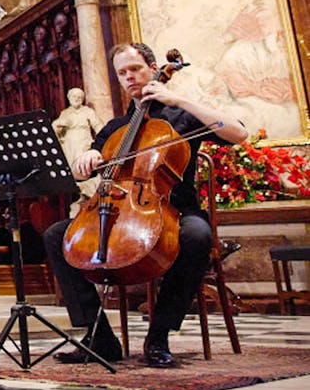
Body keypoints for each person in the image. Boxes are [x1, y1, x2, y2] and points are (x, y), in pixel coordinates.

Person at [42, 42, 247, 368]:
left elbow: (238, 133)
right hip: (119, 211)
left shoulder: (182, 118)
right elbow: (92, 160)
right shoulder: (115, 129)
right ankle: (100, 336)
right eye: (122, 73)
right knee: (56, 235)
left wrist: (178, 99)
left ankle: (159, 334)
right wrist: (90, 155)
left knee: (197, 236)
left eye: (135, 69)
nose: (129, 77)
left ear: (153, 68)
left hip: (176, 211)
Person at [52, 87, 101, 216]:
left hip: (83, 144)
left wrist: (105, 141)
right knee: (74, 175)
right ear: (69, 98)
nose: (77, 99)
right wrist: (59, 124)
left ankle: (89, 197)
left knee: (85, 170)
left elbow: (99, 127)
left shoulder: (87, 112)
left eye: (80, 97)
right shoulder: (65, 113)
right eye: (74, 97)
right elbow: (55, 130)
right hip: (69, 147)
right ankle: (81, 198)